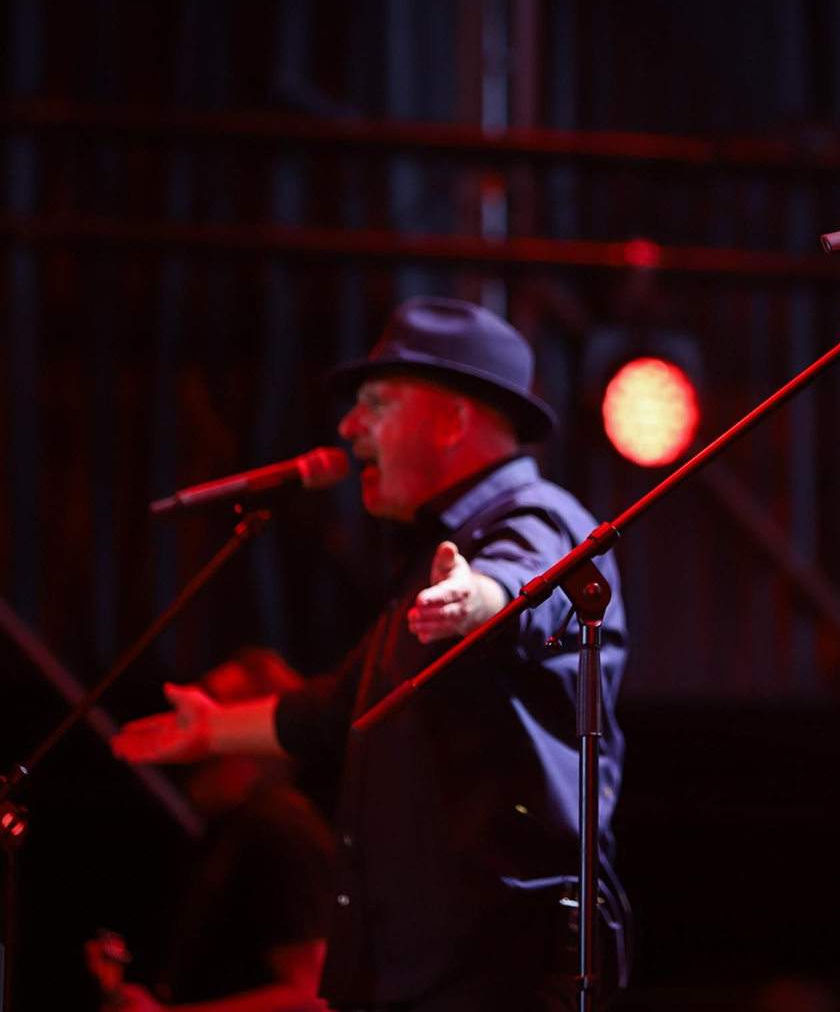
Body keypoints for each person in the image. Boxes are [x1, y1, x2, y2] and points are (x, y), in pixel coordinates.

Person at [114, 297, 630, 1011]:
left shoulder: (539, 518)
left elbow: (532, 588)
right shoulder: (428, 561)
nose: (350, 426)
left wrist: (476, 599)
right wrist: (211, 728)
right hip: (425, 976)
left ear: (453, 420)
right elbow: (332, 702)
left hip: (498, 978)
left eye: (376, 403)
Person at [95, 649, 334, 1012]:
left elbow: (315, 996)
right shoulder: (233, 826)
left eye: (212, 702)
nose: (189, 717)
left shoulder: (277, 827)